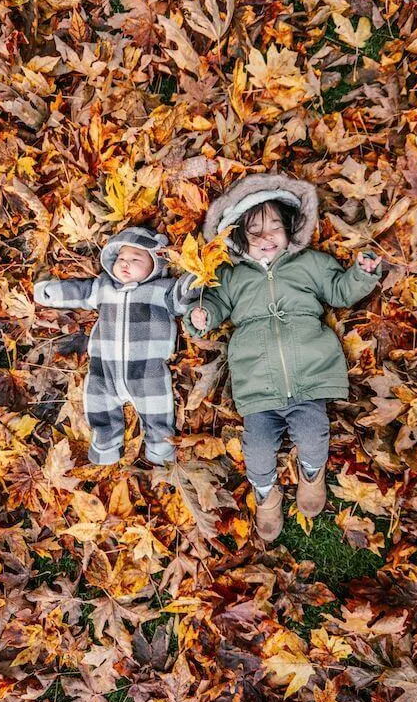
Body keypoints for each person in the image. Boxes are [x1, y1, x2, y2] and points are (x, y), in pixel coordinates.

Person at [184, 174, 382, 542]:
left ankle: (312, 473)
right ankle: (266, 494)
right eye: (255, 230)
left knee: (313, 432)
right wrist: (202, 317)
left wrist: (362, 275)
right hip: (258, 386)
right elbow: (213, 305)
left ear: (291, 229)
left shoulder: (310, 263)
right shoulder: (231, 275)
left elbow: (339, 291)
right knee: (256, 449)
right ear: (238, 236)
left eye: (275, 226)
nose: (266, 236)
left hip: (308, 378)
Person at [34, 227, 194, 466]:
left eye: (136, 259)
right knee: (98, 404)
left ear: (156, 264)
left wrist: (197, 279)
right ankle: (105, 448)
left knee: (158, 412)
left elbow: (183, 297)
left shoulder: (162, 289)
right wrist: (48, 292)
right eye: (121, 259)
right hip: (104, 369)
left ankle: (160, 452)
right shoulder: (104, 287)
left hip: (146, 371)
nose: (125, 264)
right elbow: (80, 291)